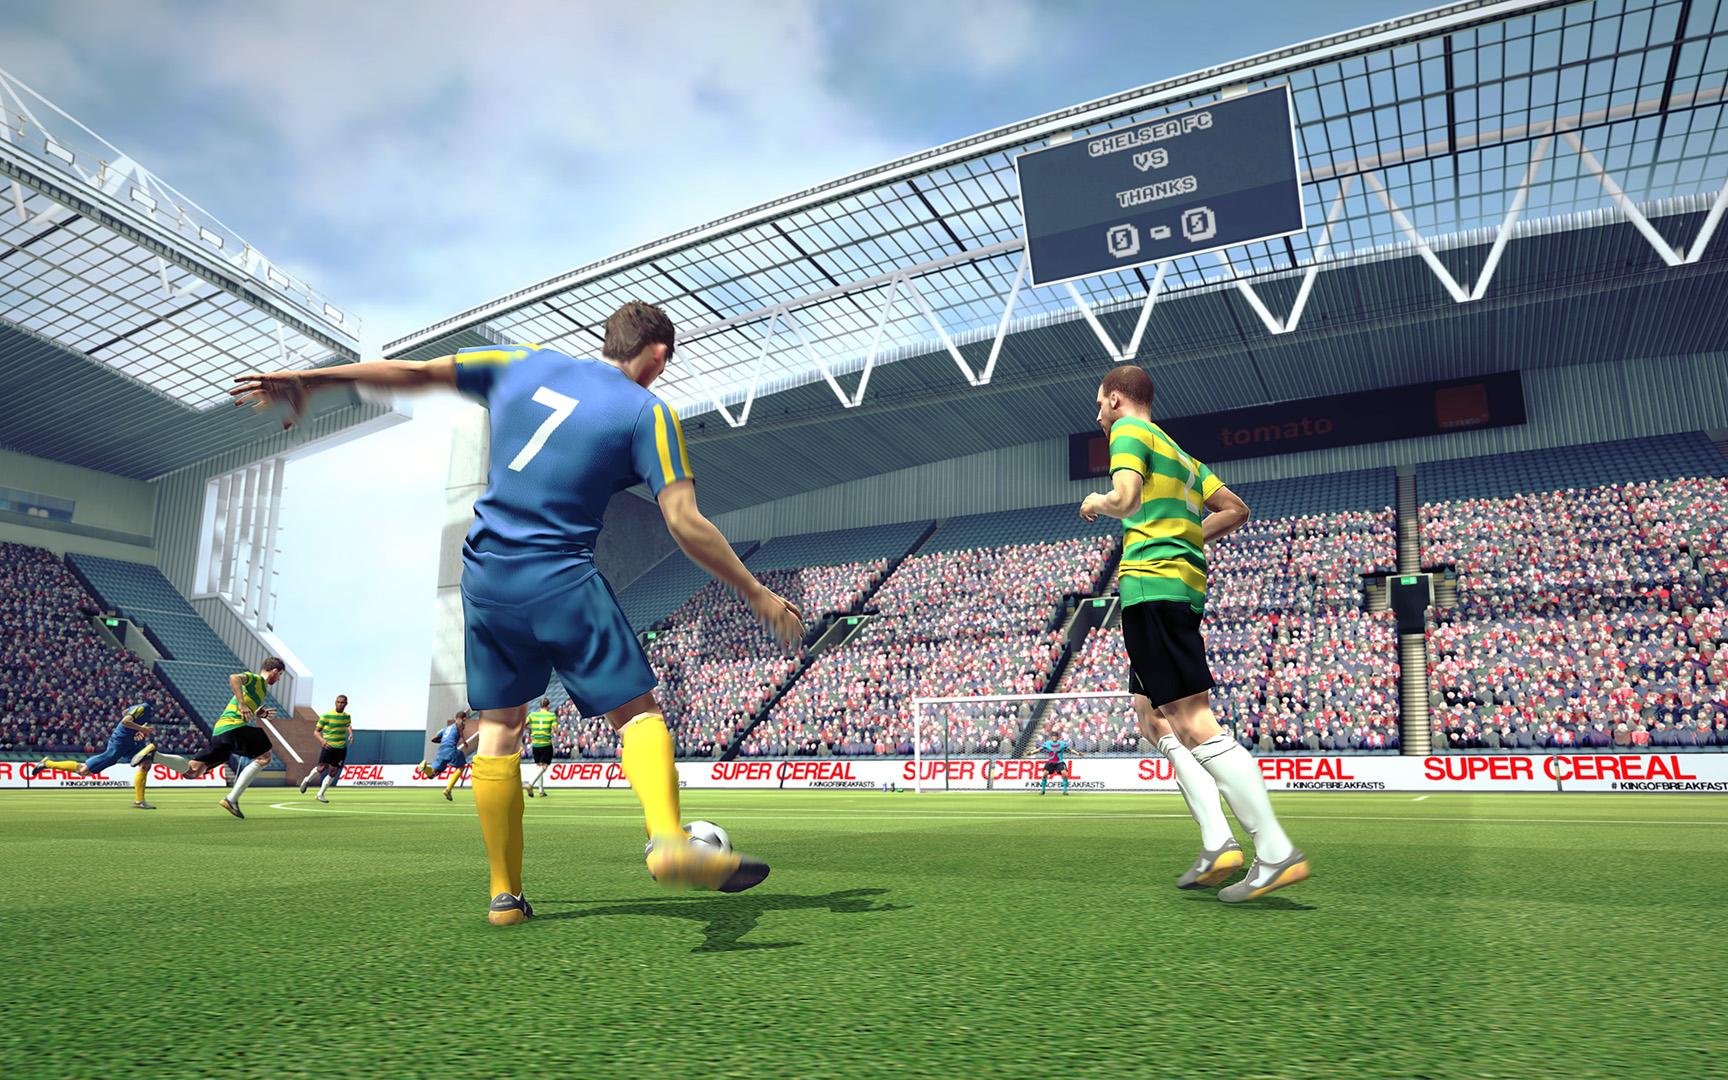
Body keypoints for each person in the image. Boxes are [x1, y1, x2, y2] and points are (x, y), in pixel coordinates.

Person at [232, 300, 803, 925]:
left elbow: (415, 373)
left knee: (500, 727)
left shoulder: (518, 364)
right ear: (658, 354)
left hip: (486, 577)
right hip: (559, 573)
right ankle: (668, 841)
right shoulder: (647, 412)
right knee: (637, 713)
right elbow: (684, 521)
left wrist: (310, 380)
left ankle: (504, 895)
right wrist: (757, 592)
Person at [1081, 365, 1308, 903]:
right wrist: (1187, 538)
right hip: (1176, 586)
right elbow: (1235, 510)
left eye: (1100, 404)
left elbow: (1126, 499)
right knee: (1151, 716)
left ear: (1117, 399)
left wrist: (1096, 502)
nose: (1099, 416)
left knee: (1192, 719)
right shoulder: (1183, 457)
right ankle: (1217, 844)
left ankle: (1274, 850)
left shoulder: (1128, 431)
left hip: (1152, 587)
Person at [131, 659, 285, 819]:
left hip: (221, 732)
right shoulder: (257, 680)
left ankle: (155, 755)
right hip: (233, 728)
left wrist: (257, 712)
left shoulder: (260, 690)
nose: (279, 679)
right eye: (280, 675)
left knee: (192, 772)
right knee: (265, 757)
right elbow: (234, 678)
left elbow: (245, 706)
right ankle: (231, 799)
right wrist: (241, 704)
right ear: (274, 671)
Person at [26, 702, 159, 809]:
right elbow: (125, 721)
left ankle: (139, 801)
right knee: (84, 771)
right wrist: (141, 729)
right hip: (120, 742)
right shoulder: (143, 707)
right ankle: (47, 763)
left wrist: (136, 731)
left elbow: (125, 712)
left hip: (132, 742)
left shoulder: (142, 710)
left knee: (145, 763)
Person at [298, 695, 353, 802]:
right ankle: (307, 780)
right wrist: (322, 740)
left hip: (341, 748)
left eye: (342, 702)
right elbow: (316, 731)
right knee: (321, 768)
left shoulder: (347, 716)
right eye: (338, 702)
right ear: (335, 702)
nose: (340, 704)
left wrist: (351, 734)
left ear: (346, 704)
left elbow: (347, 724)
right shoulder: (326, 716)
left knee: (334, 771)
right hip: (329, 746)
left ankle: (320, 794)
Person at [417, 710, 473, 801]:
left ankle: (425, 767)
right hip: (451, 750)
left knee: (432, 775)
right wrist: (464, 740)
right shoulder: (459, 724)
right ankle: (448, 790)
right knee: (462, 767)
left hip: (441, 751)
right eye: (464, 719)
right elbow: (459, 724)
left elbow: (434, 739)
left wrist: (444, 740)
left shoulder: (445, 729)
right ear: (463, 718)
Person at [524, 698, 557, 798]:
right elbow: (555, 730)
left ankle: (541, 791)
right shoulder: (551, 715)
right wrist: (551, 729)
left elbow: (523, 724)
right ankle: (530, 784)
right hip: (545, 743)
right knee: (544, 767)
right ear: (548, 706)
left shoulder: (532, 715)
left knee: (539, 767)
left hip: (535, 744)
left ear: (540, 706)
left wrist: (530, 729)